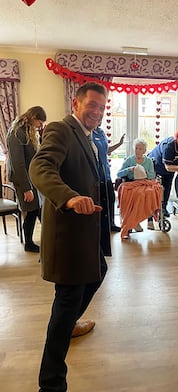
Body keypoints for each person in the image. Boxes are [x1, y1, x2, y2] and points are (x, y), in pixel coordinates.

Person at [29, 82, 111, 392]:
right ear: (75, 104)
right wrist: (69, 197)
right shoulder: (62, 130)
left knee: (98, 272)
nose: (97, 112)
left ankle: (67, 325)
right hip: (68, 232)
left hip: (85, 232)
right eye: (92, 105)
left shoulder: (90, 135)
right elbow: (41, 167)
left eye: (102, 107)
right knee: (67, 301)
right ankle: (51, 383)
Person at [6, 106, 47, 253]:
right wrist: (26, 188)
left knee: (37, 209)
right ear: (33, 117)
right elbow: (18, 163)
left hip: (32, 177)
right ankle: (29, 243)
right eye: (40, 123)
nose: (40, 126)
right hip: (23, 178)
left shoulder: (28, 131)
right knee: (31, 210)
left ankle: (50, 237)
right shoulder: (17, 133)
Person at [148, 129, 178, 217]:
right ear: (177, 141)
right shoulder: (168, 146)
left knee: (167, 187)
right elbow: (168, 167)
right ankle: (154, 209)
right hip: (156, 166)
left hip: (171, 167)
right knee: (157, 188)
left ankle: (163, 208)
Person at [117, 138, 156, 234]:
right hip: (131, 183)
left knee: (150, 192)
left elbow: (152, 175)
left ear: (144, 151)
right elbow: (119, 174)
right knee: (137, 194)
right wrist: (129, 169)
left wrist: (143, 171)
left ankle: (149, 219)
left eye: (140, 149)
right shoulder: (129, 160)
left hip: (145, 182)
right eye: (136, 148)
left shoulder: (149, 161)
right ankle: (135, 222)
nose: (138, 151)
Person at [93, 126, 125, 232]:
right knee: (101, 201)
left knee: (111, 198)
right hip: (97, 174)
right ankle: (102, 226)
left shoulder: (101, 132)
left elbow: (106, 150)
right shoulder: (89, 134)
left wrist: (120, 144)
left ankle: (111, 223)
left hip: (106, 172)